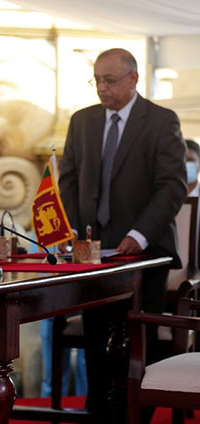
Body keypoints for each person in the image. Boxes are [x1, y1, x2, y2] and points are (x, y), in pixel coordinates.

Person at [59, 48, 187, 421]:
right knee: (96, 337)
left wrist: (140, 234)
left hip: (145, 254)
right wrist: (69, 230)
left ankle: (133, 413)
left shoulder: (162, 122)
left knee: (135, 341)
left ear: (133, 78)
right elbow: (67, 181)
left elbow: (172, 187)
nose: (101, 88)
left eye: (109, 80)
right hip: (91, 255)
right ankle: (99, 409)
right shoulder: (82, 122)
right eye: (96, 79)